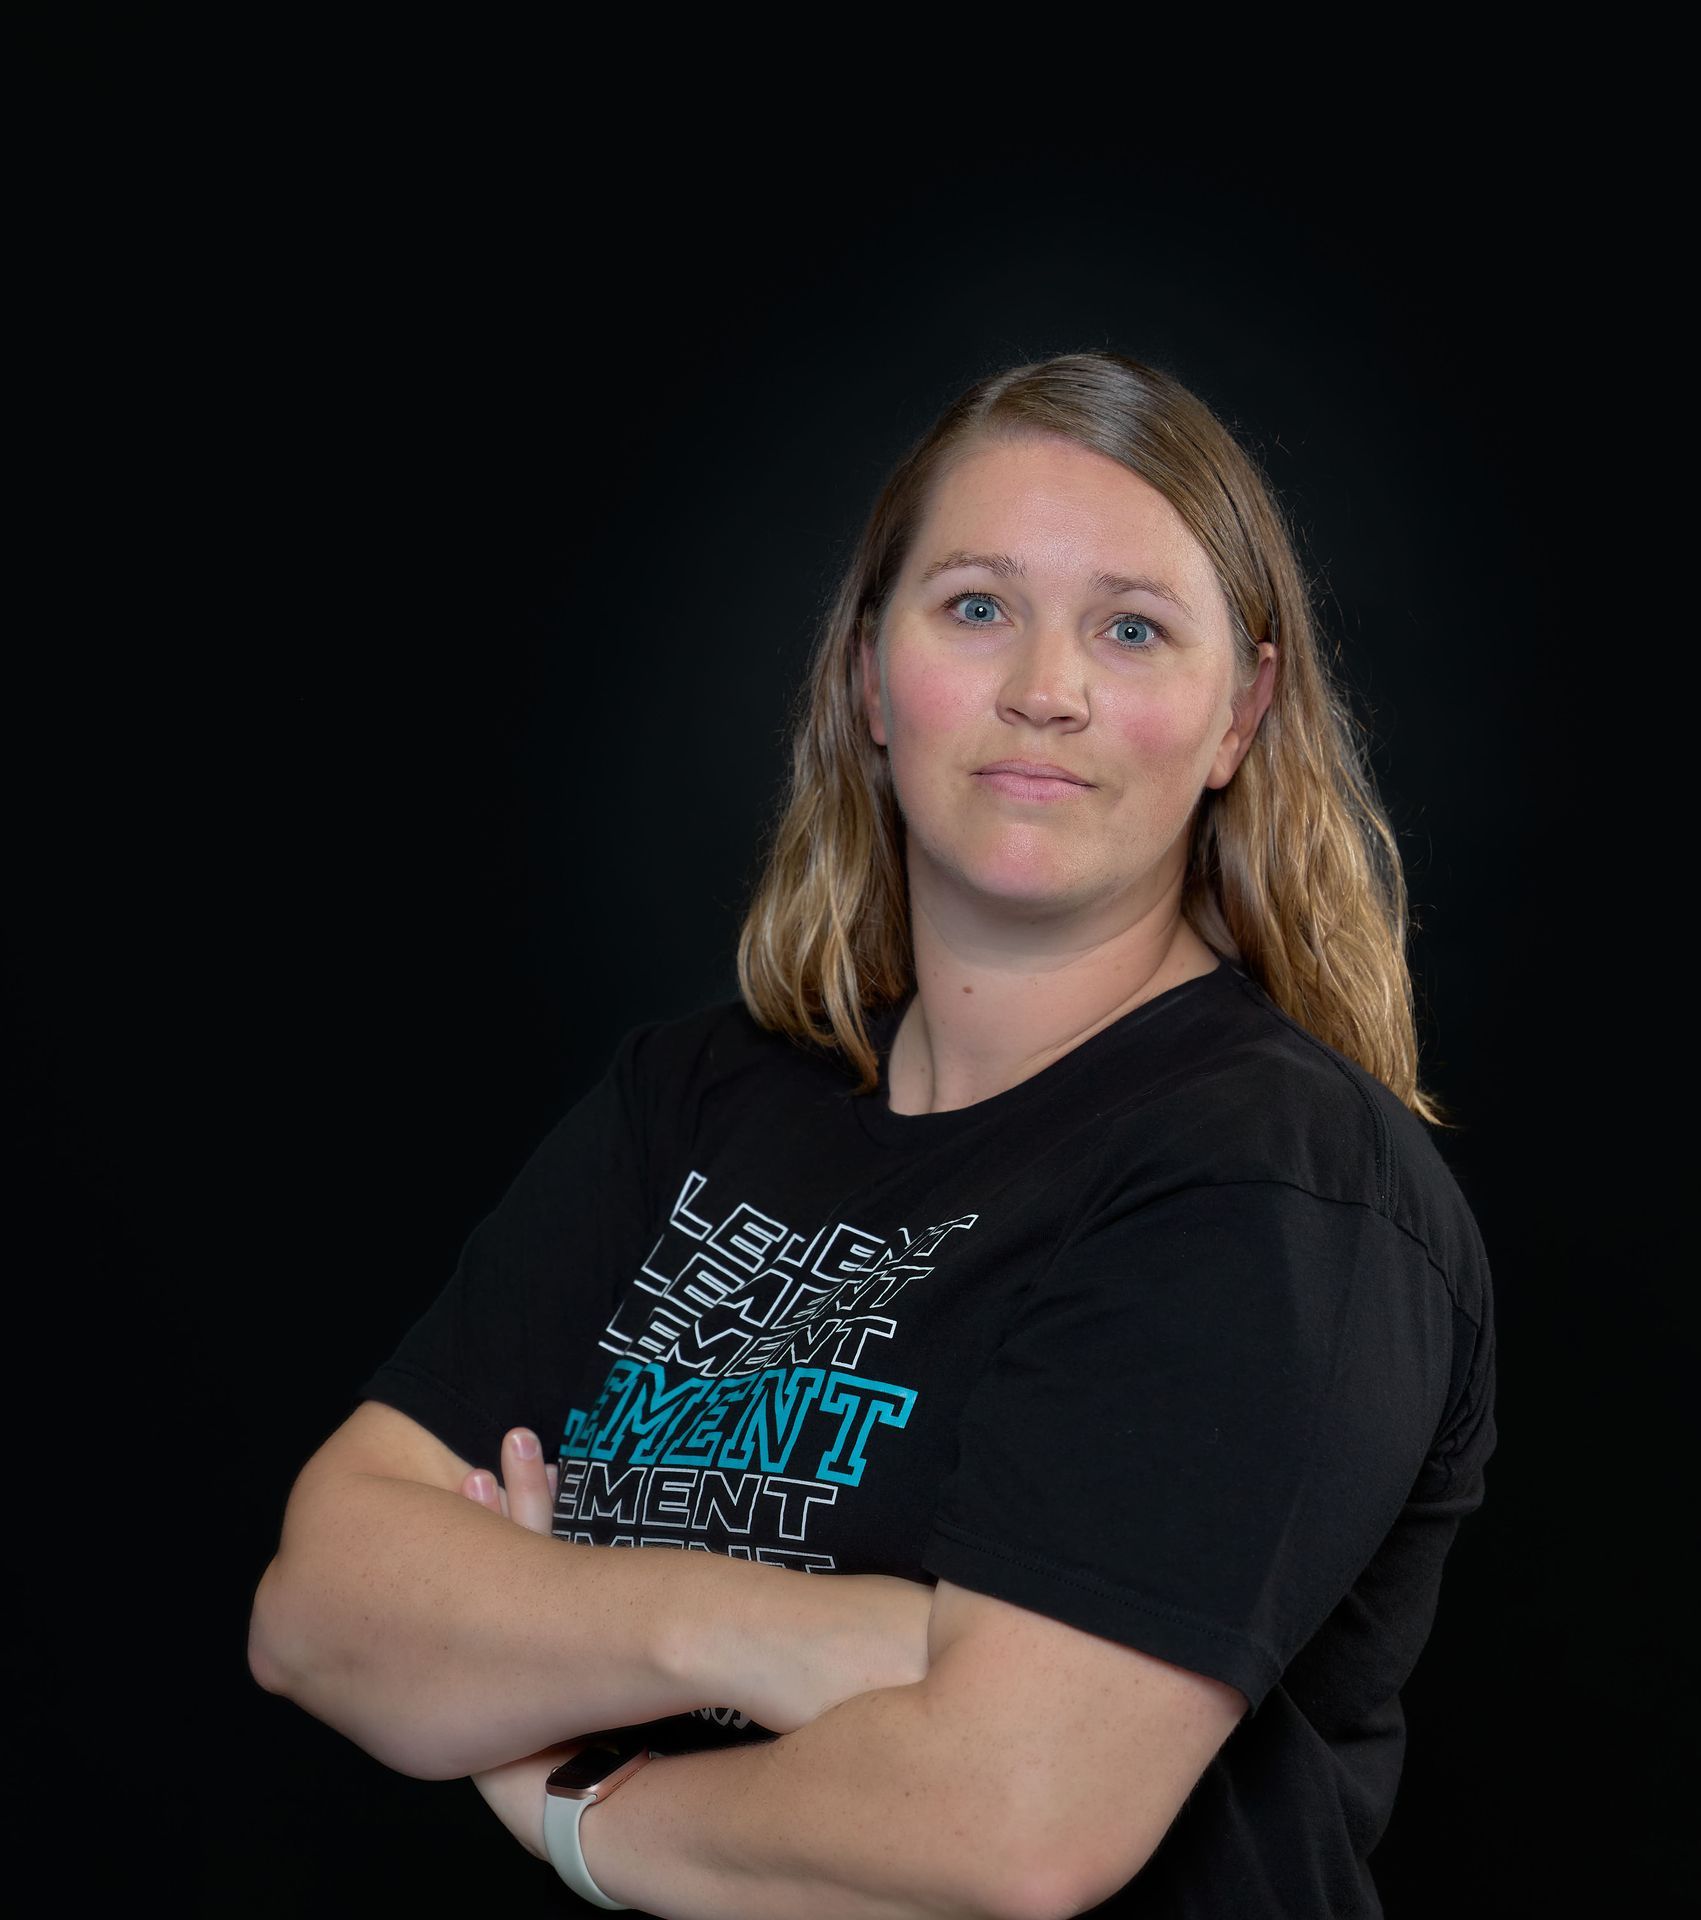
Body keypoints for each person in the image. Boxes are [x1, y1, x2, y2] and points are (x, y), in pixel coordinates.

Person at [247, 348, 1498, 1918]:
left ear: (1240, 711)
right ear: (865, 673)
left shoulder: (1275, 1180)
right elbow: (318, 1610)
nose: (1047, 685)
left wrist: (581, 1803)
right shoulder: (693, 1103)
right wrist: (757, 1631)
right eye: (976, 607)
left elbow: (1013, 1822)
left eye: (1130, 627)